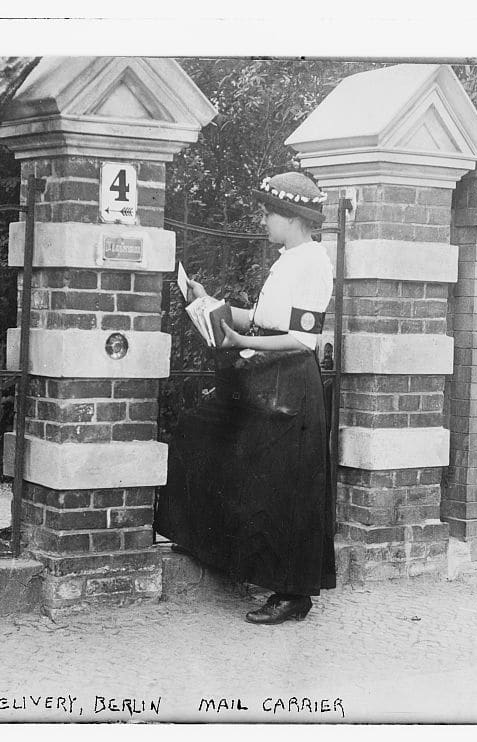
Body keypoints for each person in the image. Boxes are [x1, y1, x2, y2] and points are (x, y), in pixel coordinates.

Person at [155, 171, 336, 625]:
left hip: (289, 382)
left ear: (292, 217)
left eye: (268, 213)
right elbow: (261, 316)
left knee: (283, 485)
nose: (263, 220)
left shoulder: (313, 262)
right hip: (264, 374)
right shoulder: (289, 258)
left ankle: (293, 594)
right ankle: (206, 540)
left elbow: (302, 340)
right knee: (198, 432)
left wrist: (239, 340)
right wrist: (211, 303)